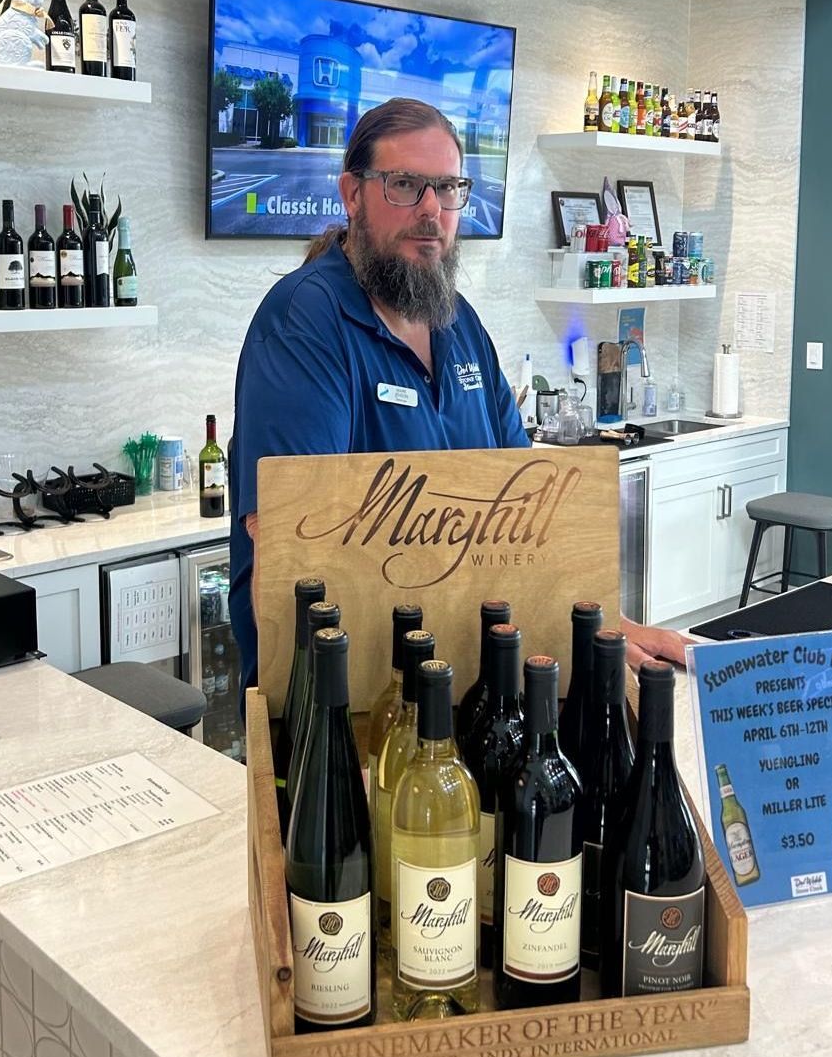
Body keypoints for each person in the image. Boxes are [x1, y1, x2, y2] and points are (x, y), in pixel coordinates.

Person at [229, 98, 685, 698]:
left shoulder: (458, 323)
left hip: (470, 684)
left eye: (446, 188)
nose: (430, 211)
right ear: (352, 193)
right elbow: (293, 562)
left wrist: (602, 630)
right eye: (403, 185)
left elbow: (532, 516)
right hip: (349, 699)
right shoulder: (304, 324)